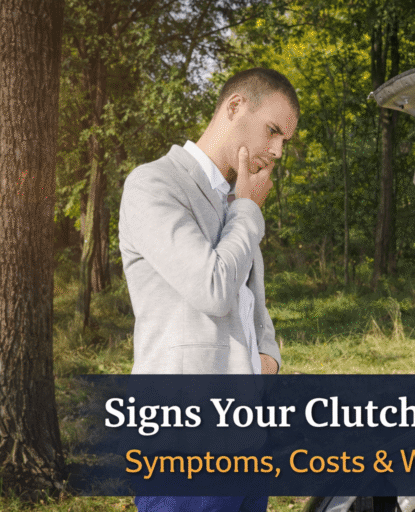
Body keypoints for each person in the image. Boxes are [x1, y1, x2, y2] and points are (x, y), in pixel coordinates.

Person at [118, 67, 299, 511]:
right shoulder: (154, 184)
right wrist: (248, 212)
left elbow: (248, 299)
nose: (276, 151)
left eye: (284, 142)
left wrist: (269, 355)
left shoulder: (237, 202)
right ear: (235, 107)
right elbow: (213, 287)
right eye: (273, 131)